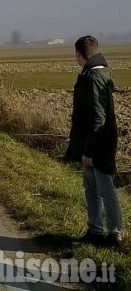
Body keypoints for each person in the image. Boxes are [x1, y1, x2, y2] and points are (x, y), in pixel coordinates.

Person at [65, 36, 122, 247]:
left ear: (79, 54)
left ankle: (115, 234)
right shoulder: (94, 73)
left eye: (76, 54)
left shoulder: (94, 77)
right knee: (91, 189)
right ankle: (95, 231)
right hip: (93, 143)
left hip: (99, 144)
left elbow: (99, 118)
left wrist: (89, 151)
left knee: (105, 188)